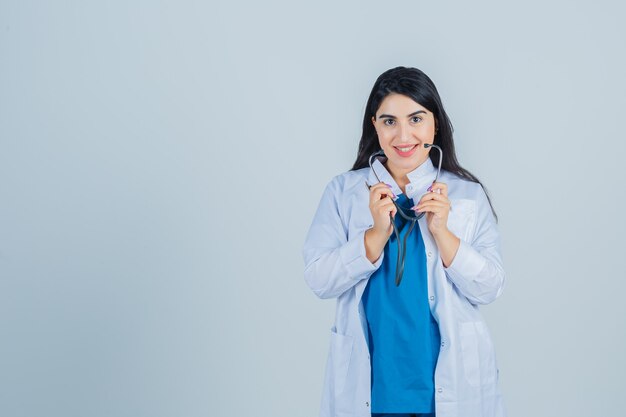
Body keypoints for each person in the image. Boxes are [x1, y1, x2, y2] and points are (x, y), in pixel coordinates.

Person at [302, 66, 506, 417]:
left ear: (435, 124)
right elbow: (319, 279)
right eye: (389, 121)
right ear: (374, 126)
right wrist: (374, 235)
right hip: (373, 385)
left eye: (416, 119)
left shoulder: (467, 196)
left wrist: (443, 232)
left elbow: (489, 288)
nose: (403, 135)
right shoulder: (343, 191)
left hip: (449, 385)